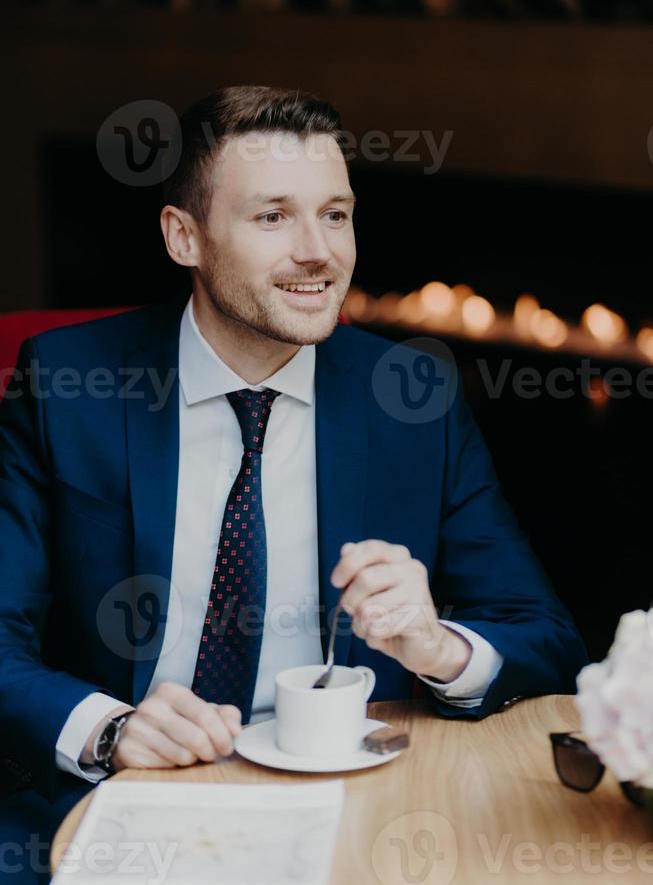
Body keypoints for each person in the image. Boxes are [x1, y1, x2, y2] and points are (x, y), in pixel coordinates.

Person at [0, 85, 587, 882]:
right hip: (121, 796)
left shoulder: (411, 396)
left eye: (336, 214)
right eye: (272, 217)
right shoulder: (67, 384)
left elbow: (543, 635)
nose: (319, 251)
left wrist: (436, 646)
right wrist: (110, 730)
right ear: (184, 237)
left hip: (358, 800)